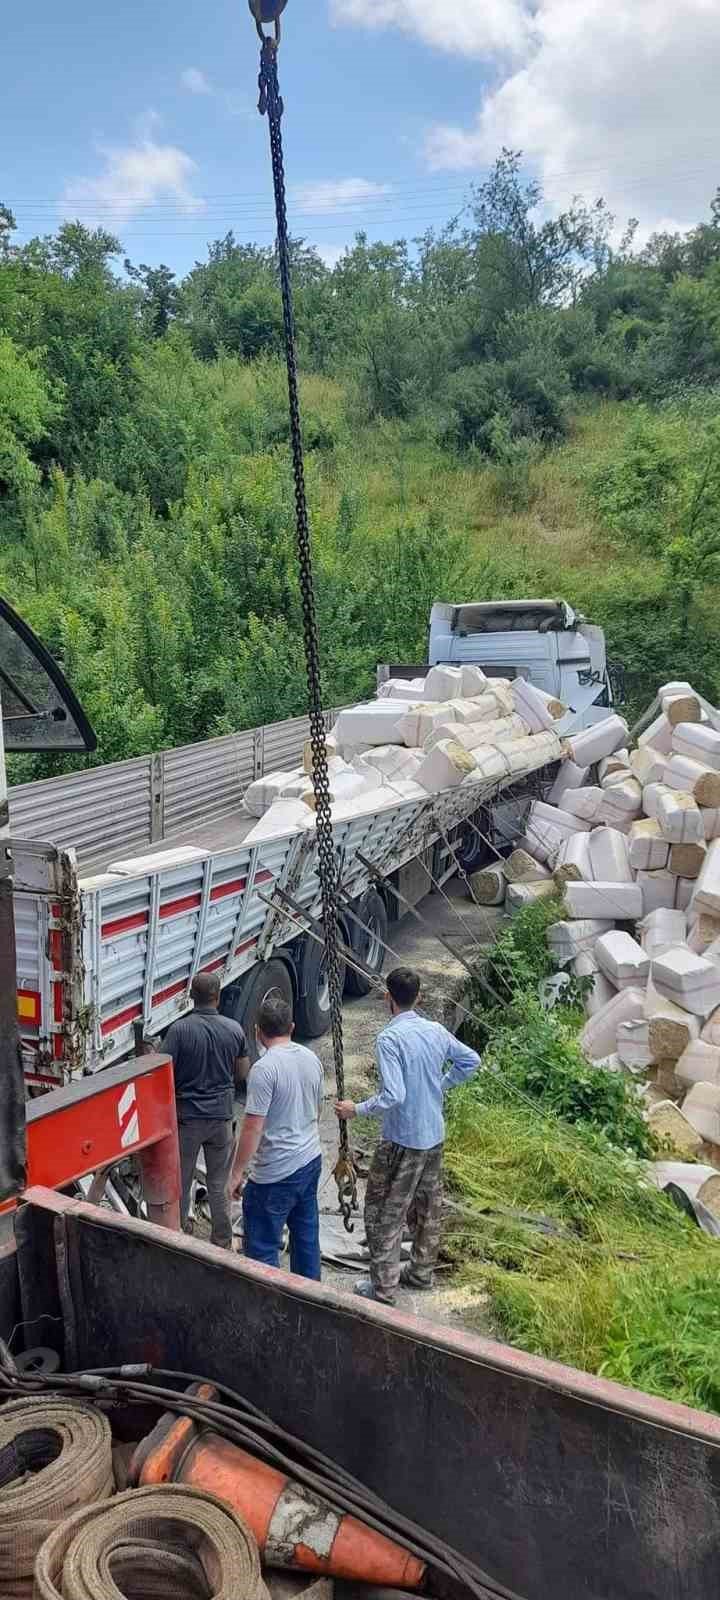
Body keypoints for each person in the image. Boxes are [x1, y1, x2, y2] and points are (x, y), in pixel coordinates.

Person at [335, 966, 480, 1305]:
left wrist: (355, 1109)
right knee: (428, 1209)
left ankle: (384, 1289)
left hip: (403, 1140)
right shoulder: (436, 1031)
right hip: (433, 1137)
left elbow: (393, 1095)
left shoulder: (389, 1039)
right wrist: (439, 1087)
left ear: (388, 998)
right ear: (419, 997)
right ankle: (420, 1273)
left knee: (384, 1212)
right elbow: (470, 1061)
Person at [230, 995, 324, 1281]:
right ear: (292, 1027)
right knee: (306, 1236)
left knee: (261, 1246)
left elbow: (252, 1127)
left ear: (257, 1031)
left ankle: (268, 1306)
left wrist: (236, 1173)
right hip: (310, 1160)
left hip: (275, 1174)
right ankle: (311, 1300)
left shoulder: (264, 1070)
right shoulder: (311, 1058)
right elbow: (317, 1109)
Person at [163, 971, 249, 1250]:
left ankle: (182, 1236)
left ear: (191, 996)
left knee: (183, 1179)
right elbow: (242, 1073)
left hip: (187, 1120)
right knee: (218, 1182)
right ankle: (222, 1240)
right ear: (218, 996)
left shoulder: (179, 1031)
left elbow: (163, 1071)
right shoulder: (234, 1029)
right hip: (221, 1119)